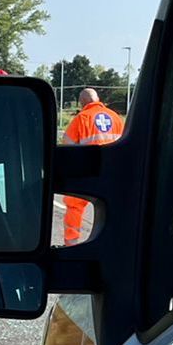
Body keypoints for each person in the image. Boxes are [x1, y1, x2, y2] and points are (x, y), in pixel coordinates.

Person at [62, 88, 125, 245]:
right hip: (113, 172)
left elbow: (67, 144)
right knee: (112, 207)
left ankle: (71, 242)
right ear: (98, 99)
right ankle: (113, 242)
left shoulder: (82, 118)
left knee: (74, 205)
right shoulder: (116, 117)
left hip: (88, 173)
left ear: (82, 103)